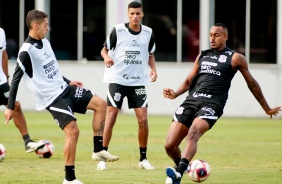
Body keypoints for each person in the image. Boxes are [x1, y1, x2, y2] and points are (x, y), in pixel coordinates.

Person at [4, 10, 119, 184]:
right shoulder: (26, 52)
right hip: (52, 98)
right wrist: (10, 107)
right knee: (73, 131)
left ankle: (97, 150)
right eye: (45, 25)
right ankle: (69, 179)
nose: (47, 28)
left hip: (65, 88)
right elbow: (15, 80)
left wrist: (69, 81)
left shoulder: (46, 42)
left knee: (101, 104)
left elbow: (52, 70)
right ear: (35, 26)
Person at [163, 23, 281, 184]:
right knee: (169, 145)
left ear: (225, 37)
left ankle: (178, 174)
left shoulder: (235, 58)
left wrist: (266, 108)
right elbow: (189, 80)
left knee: (194, 132)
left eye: (216, 35)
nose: (212, 38)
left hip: (212, 104)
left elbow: (251, 83)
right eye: (210, 35)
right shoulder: (202, 55)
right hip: (191, 100)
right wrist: (176, 93)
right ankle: (183, 168)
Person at [98, 1, 157, 170]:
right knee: (111, 118)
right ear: (128, 14)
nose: (135, 17)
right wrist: (106, 57)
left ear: (142, 14)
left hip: (138, 82)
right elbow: (104, 49)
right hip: (117, 80)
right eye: (132, 13)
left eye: (138, 13)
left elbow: (150, 54)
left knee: (143, 119)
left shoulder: (148, 33)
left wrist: (153, 69)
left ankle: (143, 159)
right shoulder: (118, 30)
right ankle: (103, 156)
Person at [0, 27, 45, 153]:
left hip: (1, 81)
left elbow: (3, 55)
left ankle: (27, 141)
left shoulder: (1, 32)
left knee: (15, 105)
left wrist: (6, 76)